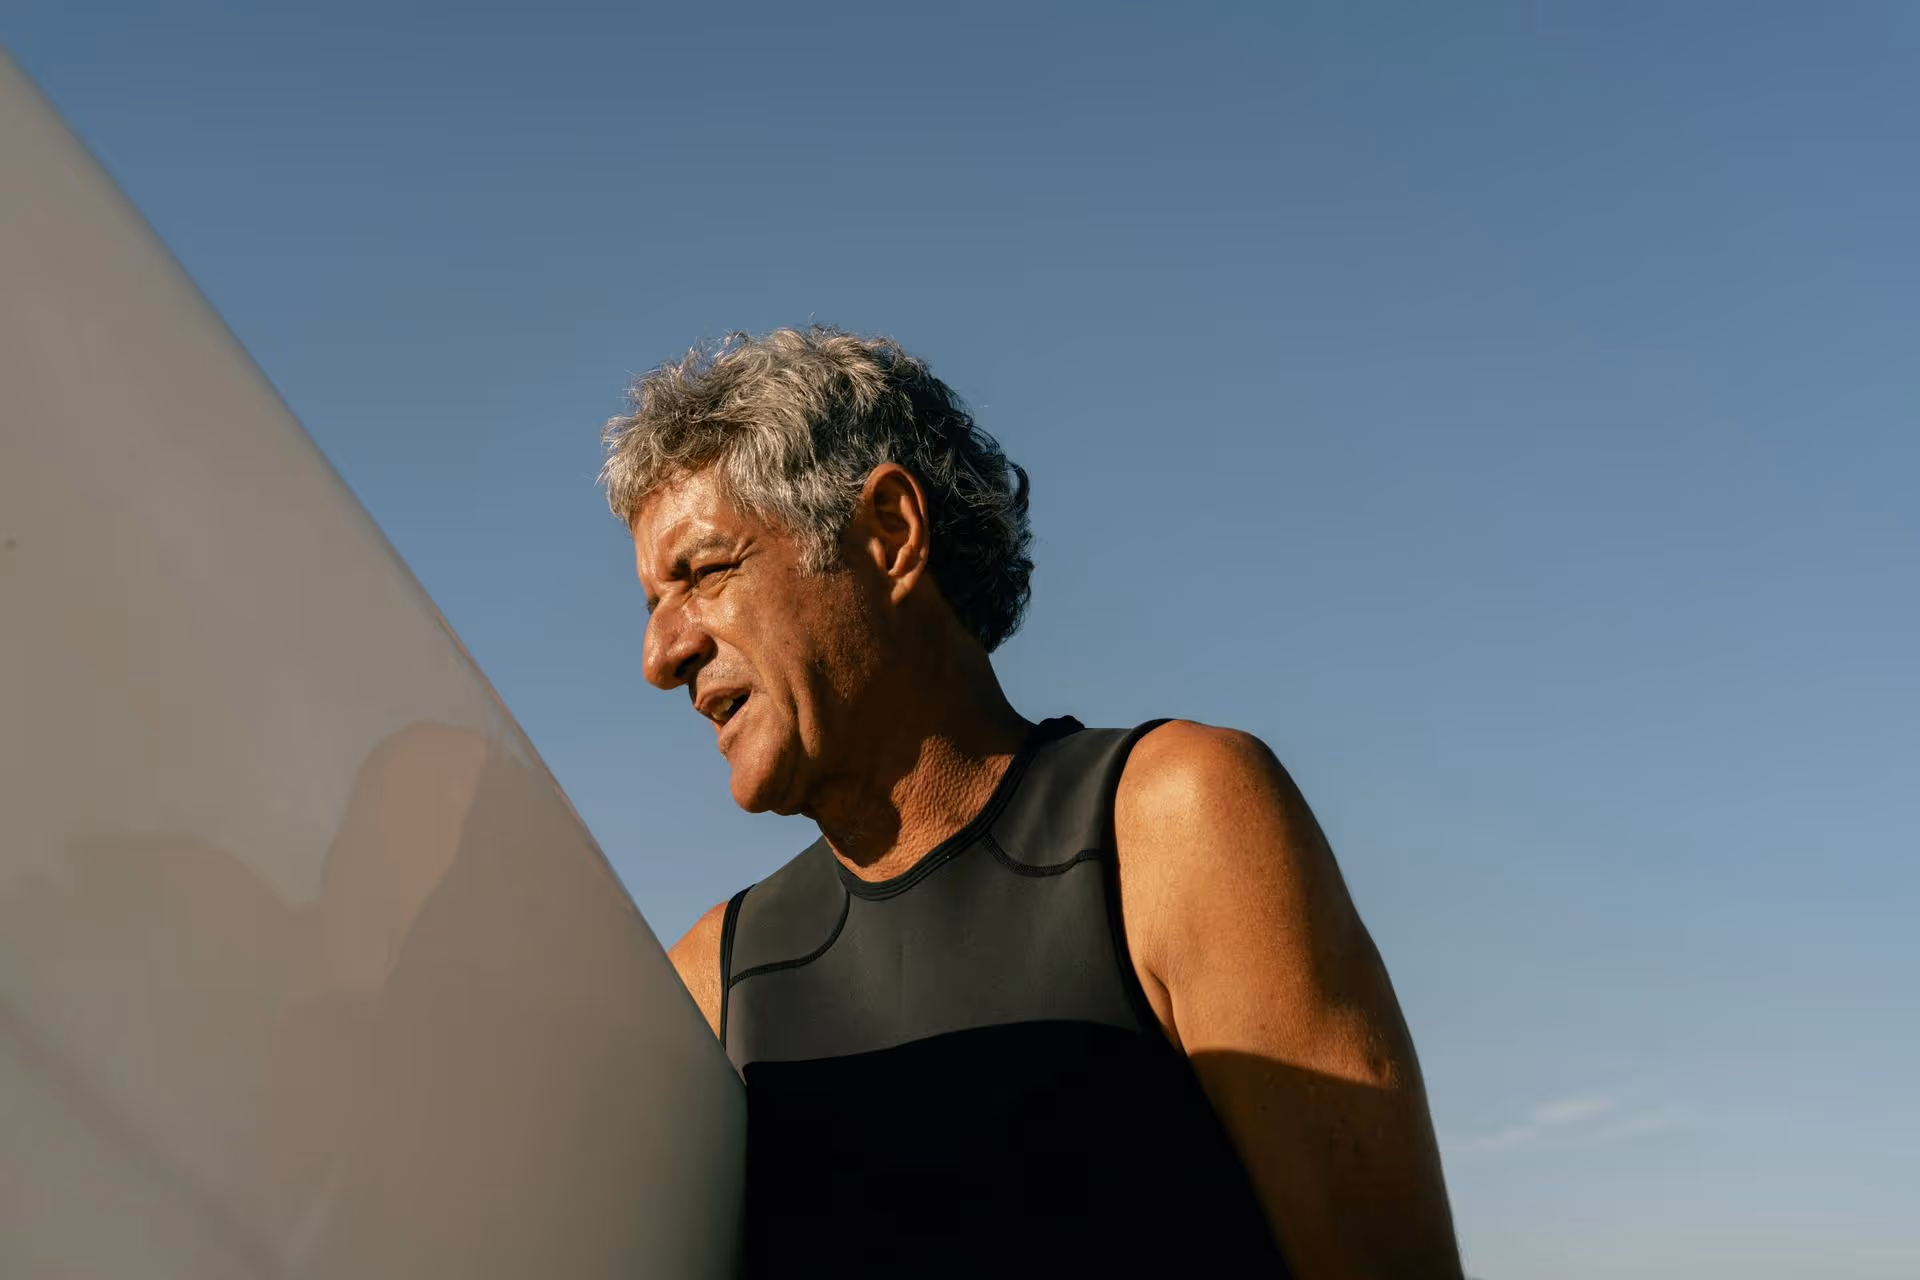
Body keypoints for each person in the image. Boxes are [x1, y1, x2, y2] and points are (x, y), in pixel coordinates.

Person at [600, 326, 1461, 1277]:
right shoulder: (712, 984)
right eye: (651, 605)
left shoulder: (1175, 824)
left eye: (706, 570)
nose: (661, 655)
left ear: (889, 534)